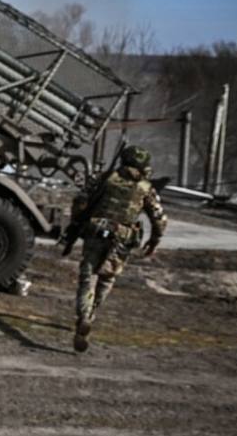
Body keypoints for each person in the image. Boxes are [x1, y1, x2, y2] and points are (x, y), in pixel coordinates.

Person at [71, 144, 167, 352]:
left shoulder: (105, 178)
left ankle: (84, 316)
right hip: (123, 238)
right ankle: (93, 313)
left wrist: (76, 223)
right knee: (107, 277)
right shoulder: (145, 188)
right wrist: (154, 241)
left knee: (88, 275)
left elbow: (81, 200)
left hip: (97, 231)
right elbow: (159, 218)